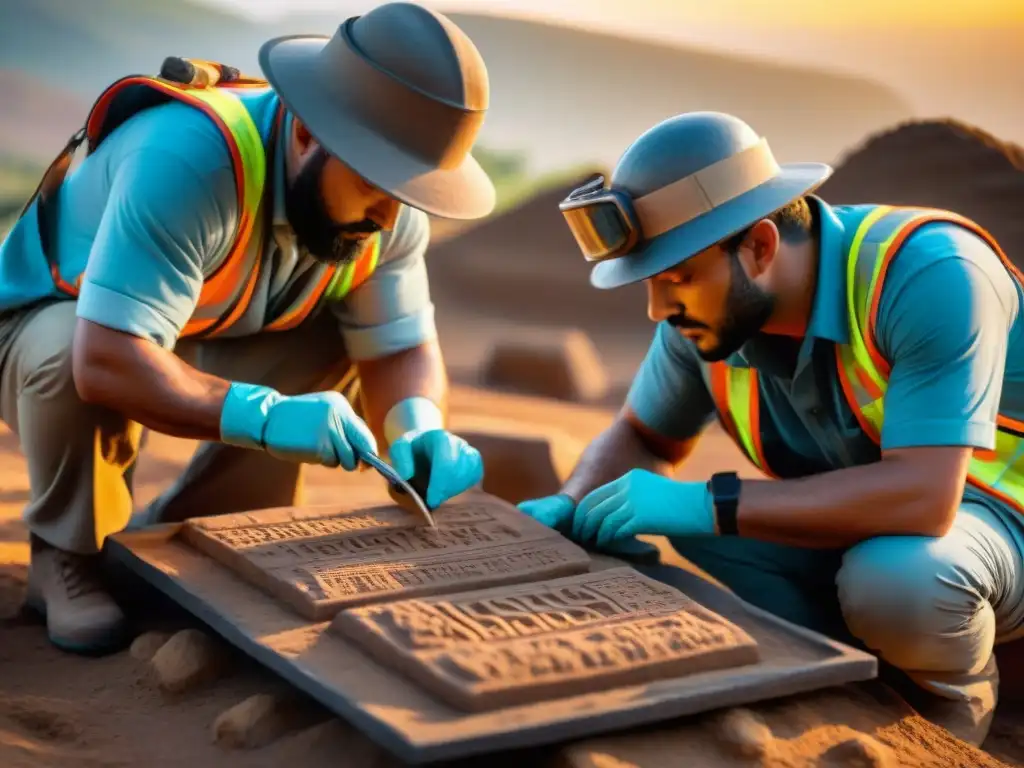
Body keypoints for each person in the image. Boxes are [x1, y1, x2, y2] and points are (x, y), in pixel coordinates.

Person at [0, 3, 495, 655]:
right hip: (52, 330)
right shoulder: (189, 160)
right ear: (307, 135)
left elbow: (400, 345)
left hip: (203, 325)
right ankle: (69, 552)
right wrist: (264, 415)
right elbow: (107, 360)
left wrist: (417, 423)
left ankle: (206, 525)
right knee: (67, 352)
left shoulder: (389, 210)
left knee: (340, 341)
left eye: (414, 188)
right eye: (379, 180)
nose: (391, 212)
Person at [518, 110, 1024, 745]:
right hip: (877, 532)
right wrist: (575, 502)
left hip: (992, 525)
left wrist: (710, 501)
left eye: (675, 279)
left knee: (898, 580)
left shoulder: (931, 273)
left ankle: (953, 708)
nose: (657, 309)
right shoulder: (705, 318)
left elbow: (925, 498)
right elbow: (643, 439)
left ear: (759, 246)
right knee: (689, 528)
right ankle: (846, 675)